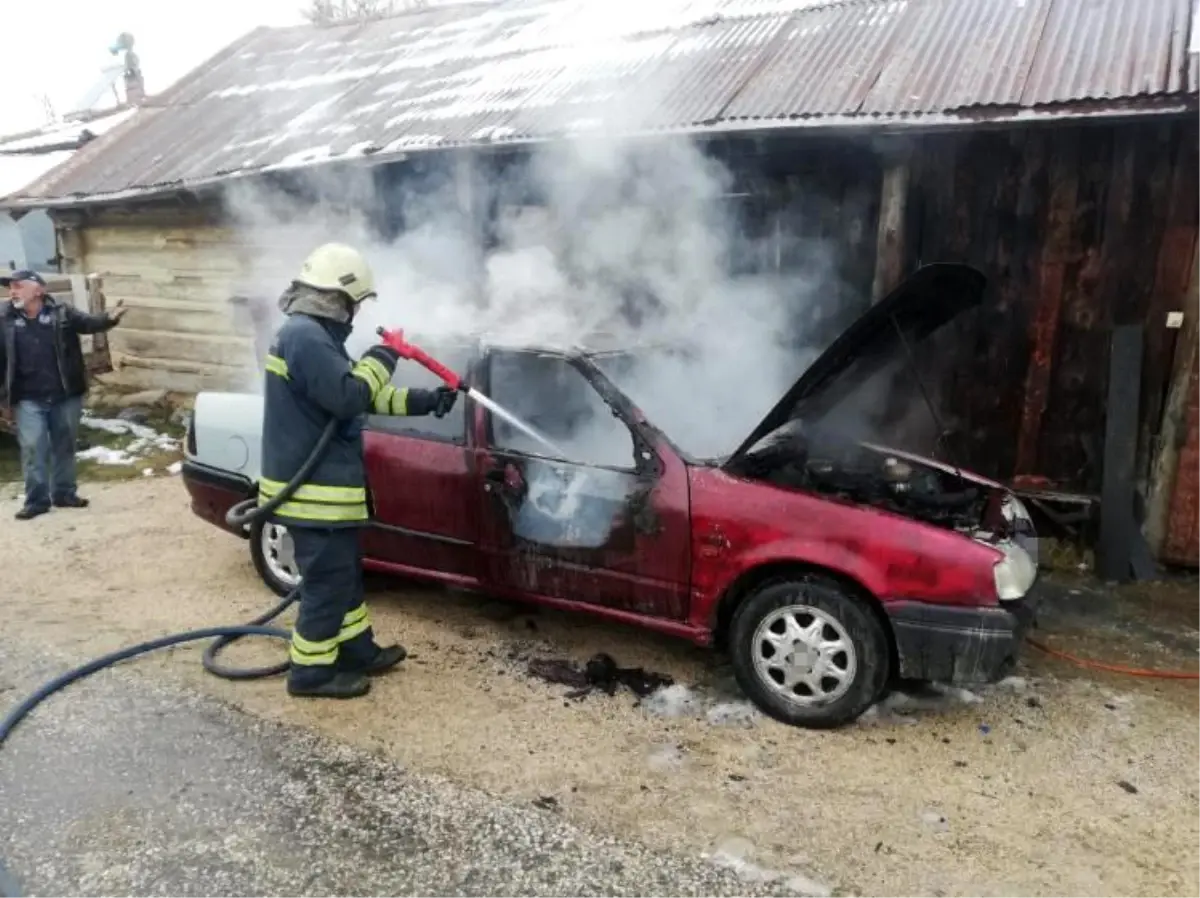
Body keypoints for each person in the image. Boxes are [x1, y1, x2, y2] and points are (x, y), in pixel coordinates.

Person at [259, 242, 458, 700]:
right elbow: (350, 396)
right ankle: (310, 674)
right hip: (314, 491)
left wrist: (425, 402)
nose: (356, 313)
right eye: (356, 303)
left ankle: (355, 651)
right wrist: (385, 356)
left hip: (325, 489)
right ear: (339, 298)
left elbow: (356, 396)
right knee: (328, 584)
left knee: (344, 575)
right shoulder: (305, 337)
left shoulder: (314, 338)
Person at [0, 270, 127, 520]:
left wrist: (109, 318)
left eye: (17, 286)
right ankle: (36, 501)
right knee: (34, 447)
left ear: (38, 289)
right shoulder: (4, 318)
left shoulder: (62, 312)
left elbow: (88, 323)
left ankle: (64, 493)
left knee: (64, 445)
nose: (12, 291)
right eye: (10, 288)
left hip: (65, 393)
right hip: (27, 398)